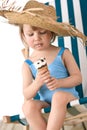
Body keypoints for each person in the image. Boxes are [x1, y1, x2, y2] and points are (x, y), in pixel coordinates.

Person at [0, 0, 86, 130]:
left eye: (42, 32)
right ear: (23, 35)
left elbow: (77, 78)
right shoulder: (28, 63)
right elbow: (27, 94)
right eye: (30, 34)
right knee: (27, 106)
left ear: (51, 32)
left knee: (58, 96)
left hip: (68, 99)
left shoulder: (62, 53)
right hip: (46, 104)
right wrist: (37, 82)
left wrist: (59, 83)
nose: (36, 38)